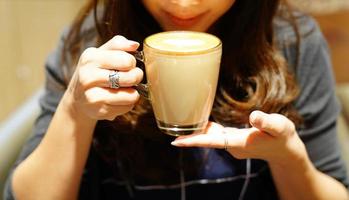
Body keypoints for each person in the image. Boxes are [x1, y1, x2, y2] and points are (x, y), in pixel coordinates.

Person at [3, 0, 349, 199]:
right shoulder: (92, 43)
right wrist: (74, 112)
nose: (183, 3)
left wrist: (289, 160)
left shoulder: (292, 42)